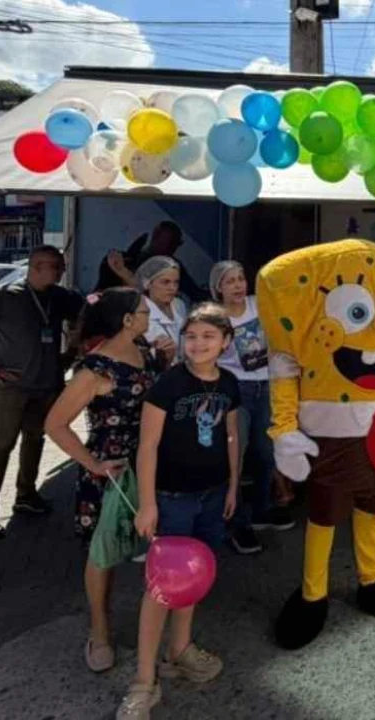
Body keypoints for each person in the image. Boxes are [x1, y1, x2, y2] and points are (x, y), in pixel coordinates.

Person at [118, 303, 241, 718]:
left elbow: (230, 436)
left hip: (212, 495)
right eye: (191, 336)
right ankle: (143, 680)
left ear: (226, 342)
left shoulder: (230, 383)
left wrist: (233, 487)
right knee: (160, 587)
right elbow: (147, 446)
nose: (198, 344)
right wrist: (148, 502)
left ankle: (180, 649)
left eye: (208, 336)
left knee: (194, 577)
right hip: (172, 498)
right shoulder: (169, 384)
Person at [43, 288, 158, 673]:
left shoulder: (144, 351)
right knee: (102, 554)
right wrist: (93, 463)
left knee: (150, 546)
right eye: (143, 310)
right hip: (112, 474)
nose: (149, 315)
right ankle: (99, 630)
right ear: (127, 320)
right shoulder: (94, 370)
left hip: (149, 466)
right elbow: (55, 425)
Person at [0, 245, 85, 540]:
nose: (62, 272)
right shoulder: (4, 297)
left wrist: (74, 348)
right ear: (39, 266)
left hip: (48, 384)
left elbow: (88, 312)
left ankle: (26, 495)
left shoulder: (60, 297)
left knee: (35, 439)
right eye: (58, 267)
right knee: (2, 444)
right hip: (12, 387)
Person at [209, 260, 292, 556]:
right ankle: (237, 523)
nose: (238, 285)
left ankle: (262, 510)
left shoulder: (260, 305)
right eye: (230, 281)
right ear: (218, 287)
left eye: (241, 278)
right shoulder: (215, 318)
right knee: (236, 456)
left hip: (266, 385)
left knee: (266, 452)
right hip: (235, 389)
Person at [94, 221, 209, 303]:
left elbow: (194, 293)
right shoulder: (124, 261)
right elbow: (96, 296)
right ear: (155, 238)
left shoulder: (173, 266)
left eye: (175, 244)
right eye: (167, 243)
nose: (171, 248)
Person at [137, 256, 186, 367]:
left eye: (176, 282)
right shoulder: (140, 312)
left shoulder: (179, 304)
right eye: (165, 282)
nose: (172, 288)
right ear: (148, 283)